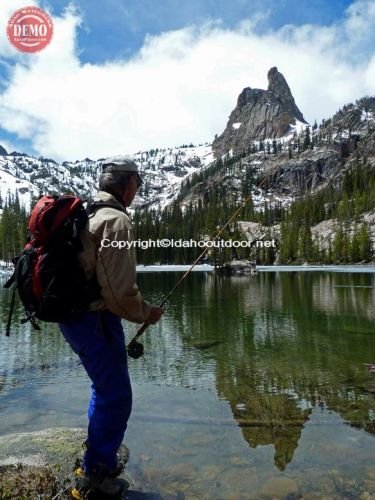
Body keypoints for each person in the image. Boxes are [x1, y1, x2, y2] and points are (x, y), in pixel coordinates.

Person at [59, 155, 164, 497]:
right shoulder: (116, 222)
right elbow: (118, 292)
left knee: (104, 390)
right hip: (95, 320)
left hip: (75, 319)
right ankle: (95, 479)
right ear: (126, 184)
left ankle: (93, 458)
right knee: (117, 397)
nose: (138, 189)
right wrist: (145, 312)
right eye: (137, 183)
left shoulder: (89, 214)